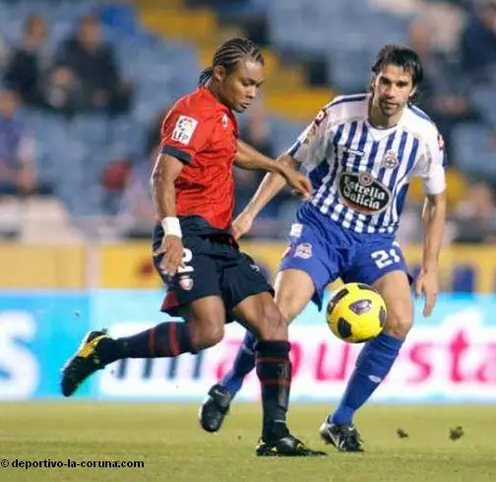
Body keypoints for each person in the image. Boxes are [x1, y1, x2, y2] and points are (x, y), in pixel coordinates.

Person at [59, 37, 325, 457]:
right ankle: (103, 350)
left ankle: (275, 434)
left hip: (220, 240)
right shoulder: (190, 112)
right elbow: (161, 176)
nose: (252, 94)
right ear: (219, 75)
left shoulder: (222, 115)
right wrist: (172, 233)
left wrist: (277, 167)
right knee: (208, 332)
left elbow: (229, 149)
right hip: (186, 233)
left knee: (273, 323)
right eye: (246, 84)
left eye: (257, 86)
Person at [200, 45, 447, 452]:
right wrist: (247, 217)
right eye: (384, 81)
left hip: (375, 241)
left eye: (400, 85)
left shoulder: (423, 137)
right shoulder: (337, 115)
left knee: (401, 320)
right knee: (278, 314)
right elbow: (288, 162)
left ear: (412, 91)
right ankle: (226, 387)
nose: (390, 91)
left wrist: (431, 266)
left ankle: (340, 420)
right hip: (322, 229)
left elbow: (437, 200)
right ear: (373, 80)